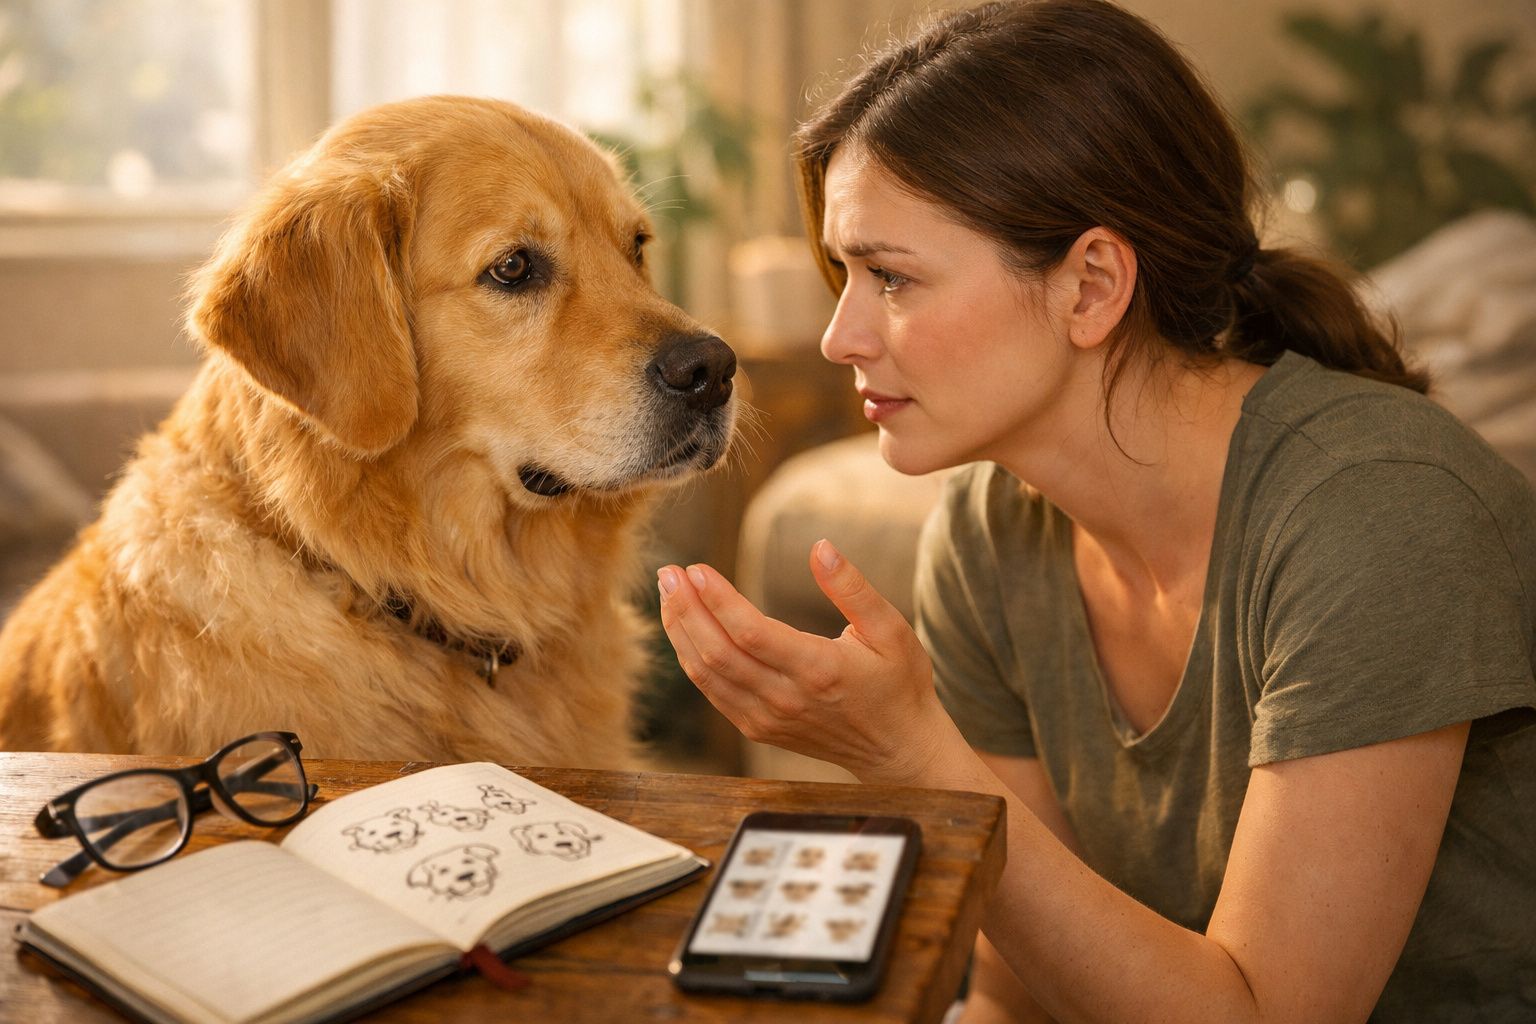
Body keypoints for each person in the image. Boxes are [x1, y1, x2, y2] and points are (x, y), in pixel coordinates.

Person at [655, 0, 1536, 1021]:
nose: (839, 335)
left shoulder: (1377, 515)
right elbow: (1022, 996)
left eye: (890, 276)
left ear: (1092, 286)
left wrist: (913, 755)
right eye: (842, 274)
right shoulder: (989, 532)